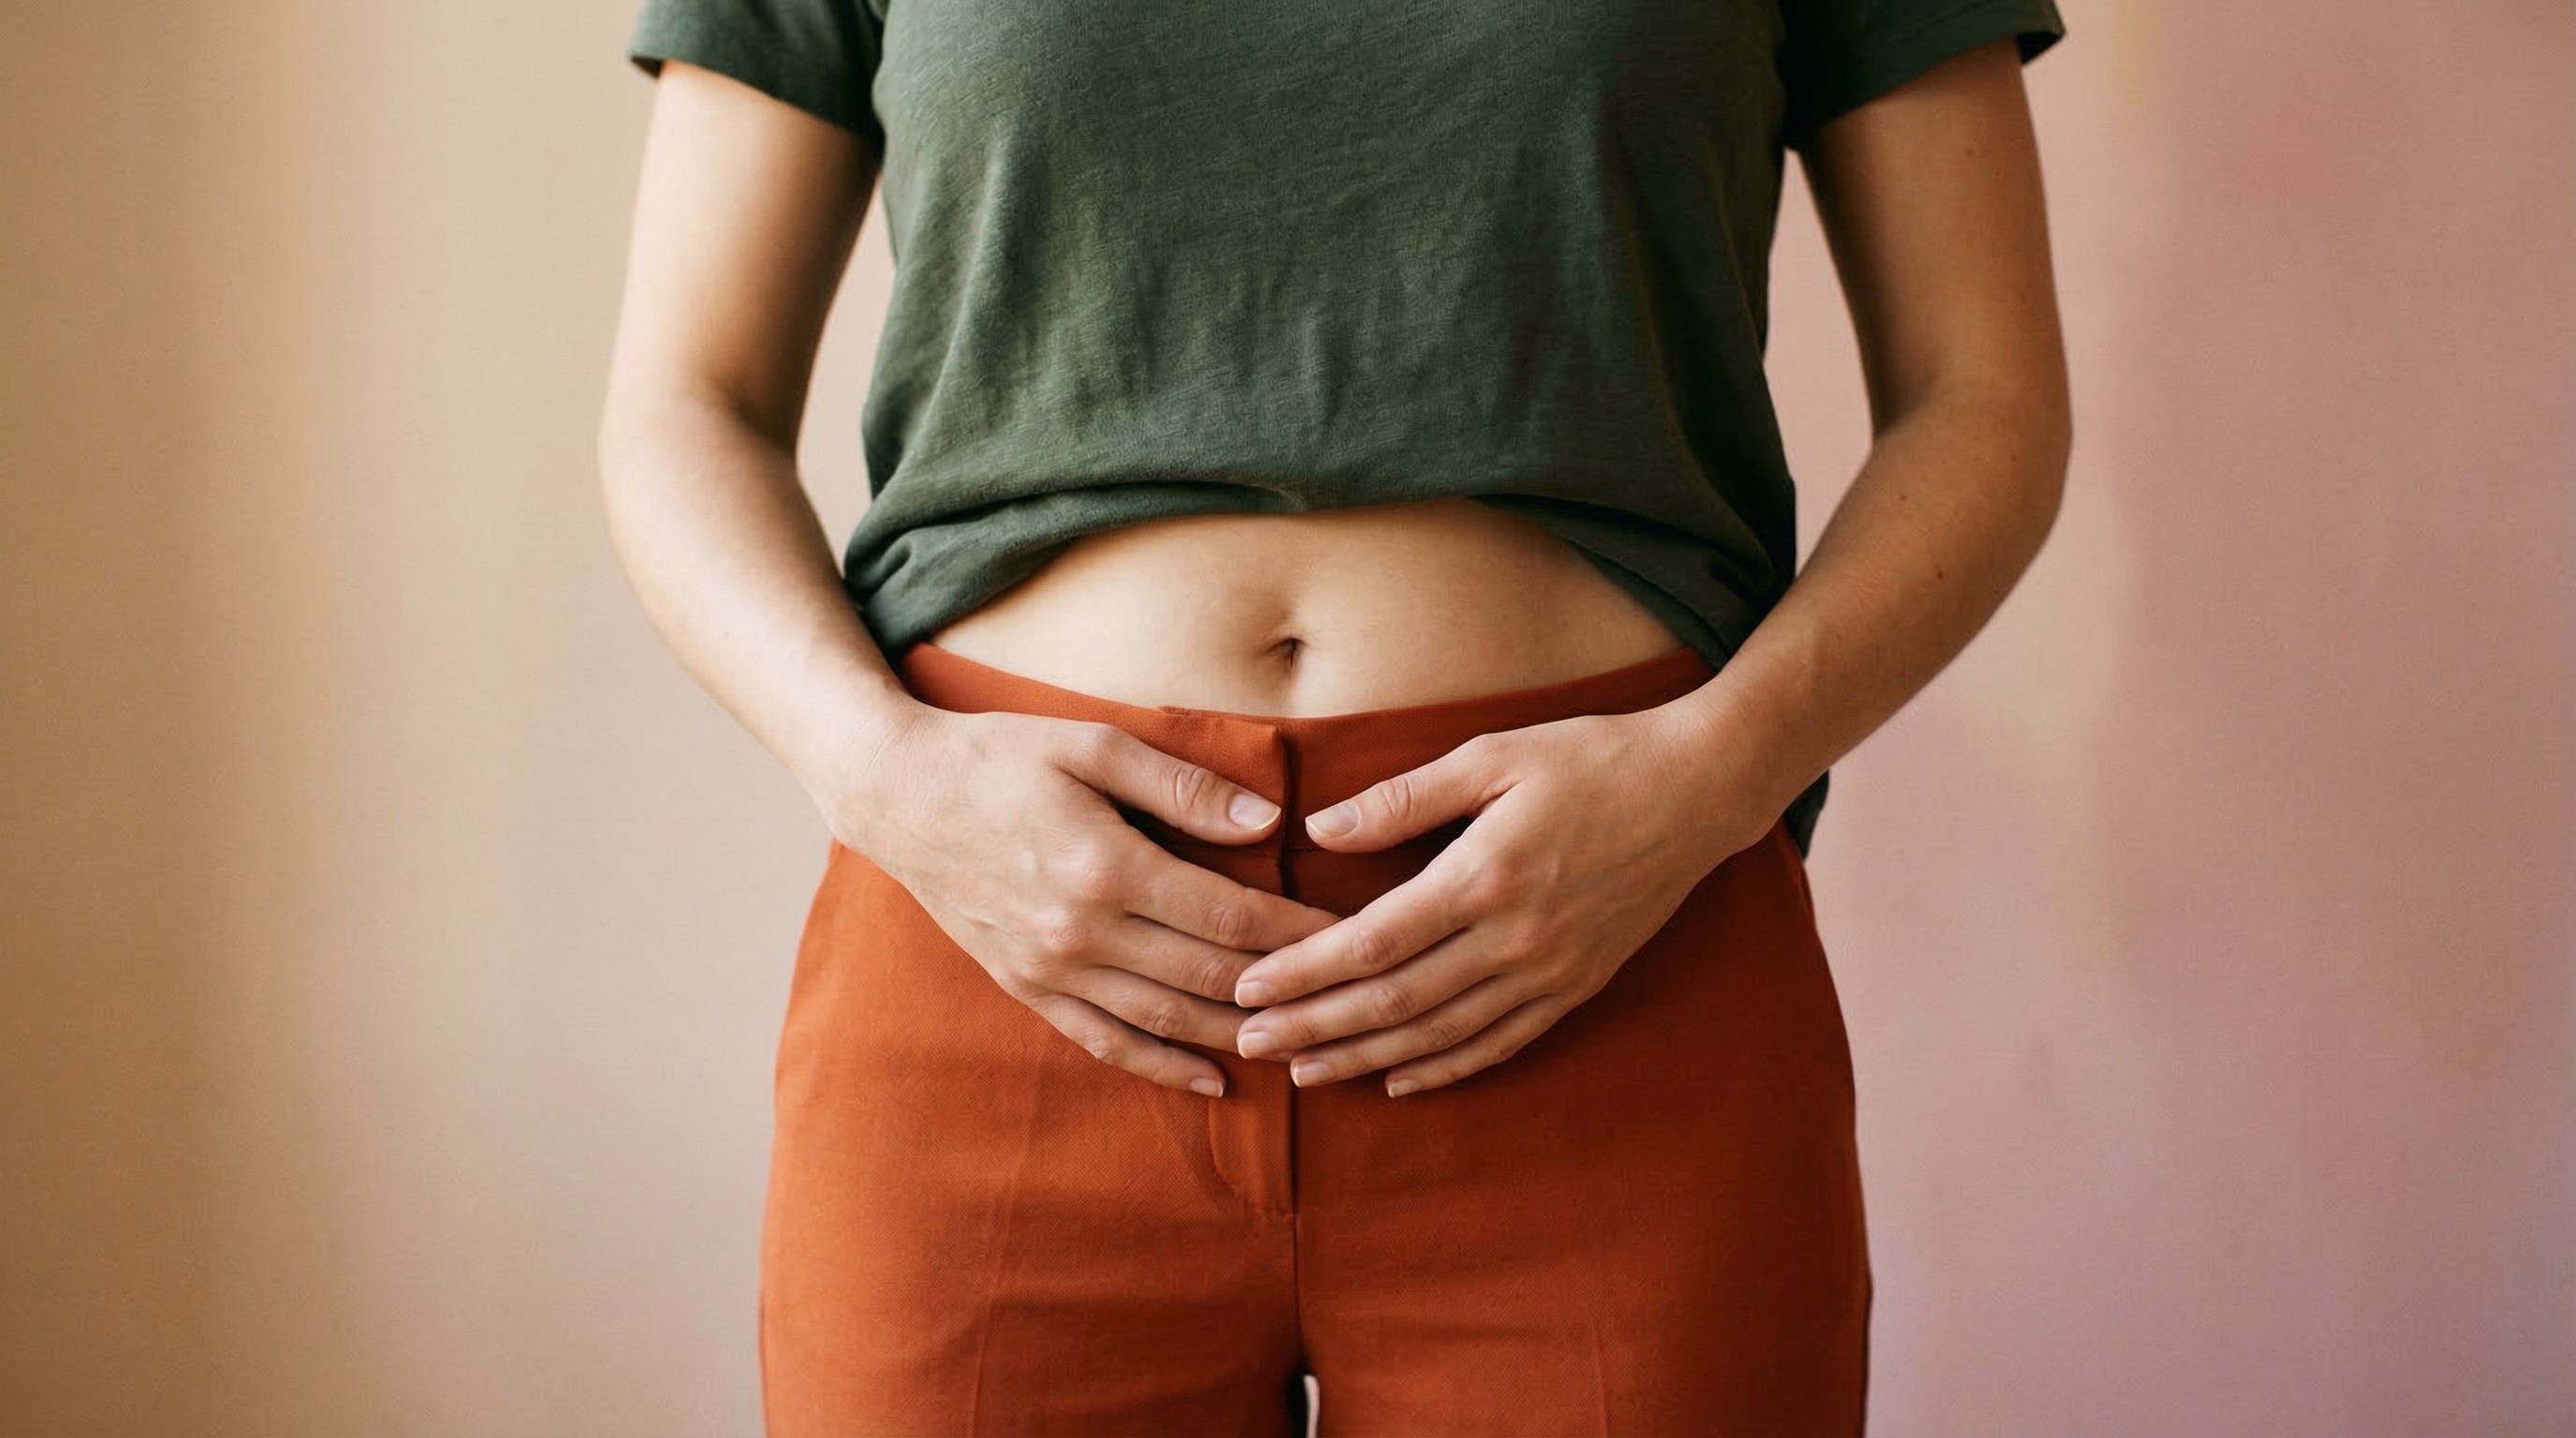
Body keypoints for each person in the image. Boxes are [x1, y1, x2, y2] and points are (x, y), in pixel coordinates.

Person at [596, 0, 2071, 1431]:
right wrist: (878, 773)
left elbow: (1984, 398)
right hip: (1006, 940)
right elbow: (685, 403)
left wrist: (1715, 775)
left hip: (1608, 943)